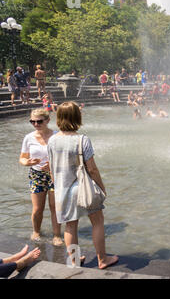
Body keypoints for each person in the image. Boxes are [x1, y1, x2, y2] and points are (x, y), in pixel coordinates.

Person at [47, 102, 119, 269]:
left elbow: (51, 167)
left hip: (62, 188)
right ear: (77, 117)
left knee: (70, 225)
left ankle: (74, 261)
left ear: (59, 118)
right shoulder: (82, 140)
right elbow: (92, 169)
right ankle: (102, 260)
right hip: (83, 188)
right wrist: (101, 187)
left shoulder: (52, 141)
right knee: (97, 221)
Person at [19, 108, 63, 246]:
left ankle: (56, 235)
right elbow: (22, 158)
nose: (36, 124)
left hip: (55, 174)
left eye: (39, 121)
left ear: (48, 121)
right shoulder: (29, 138)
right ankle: (36, 231)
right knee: (38, 208)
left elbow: (65, 157)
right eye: (32, 121)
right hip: (36, 175)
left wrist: (52, 164)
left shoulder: (57, 136)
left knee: (54, 207)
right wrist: (27, 162)